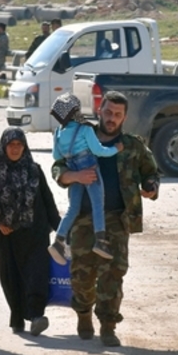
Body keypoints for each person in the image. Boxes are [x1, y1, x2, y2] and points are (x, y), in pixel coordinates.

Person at [52, 91, 159, 347]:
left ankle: (108, 325)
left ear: (125, 117)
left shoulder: (132, 145)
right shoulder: (80, 134)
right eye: (108, 112)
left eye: (118, 115)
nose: (112, 119)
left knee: (114, 273)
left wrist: (151, 186)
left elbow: (150, 170)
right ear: (100, 110)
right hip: (83, 217)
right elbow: (58, 167)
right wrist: (73, 177)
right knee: (82, 274)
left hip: (117, 219)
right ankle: (83, 312)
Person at [0, 128, 60, 335]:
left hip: (35, 233)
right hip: (8, 236)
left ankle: (36, 316)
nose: (15, 149)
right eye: (11, 145)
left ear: (25, 147)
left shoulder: (34, 170)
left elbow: (48, 202)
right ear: (4, 147)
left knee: (37, 275)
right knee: (11, 278)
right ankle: (17, 318)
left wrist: (62, 231)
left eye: (19, 145)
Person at [48, 93, 118, 264]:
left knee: (73, 208)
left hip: (73, 170)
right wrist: (116, 149)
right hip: (89, 168)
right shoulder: (84, 128)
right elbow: (98, 150)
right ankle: (100, 241)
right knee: (98, 204)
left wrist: (74, 173)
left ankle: (58, 241)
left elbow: (57, 156)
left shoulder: (58, 132)